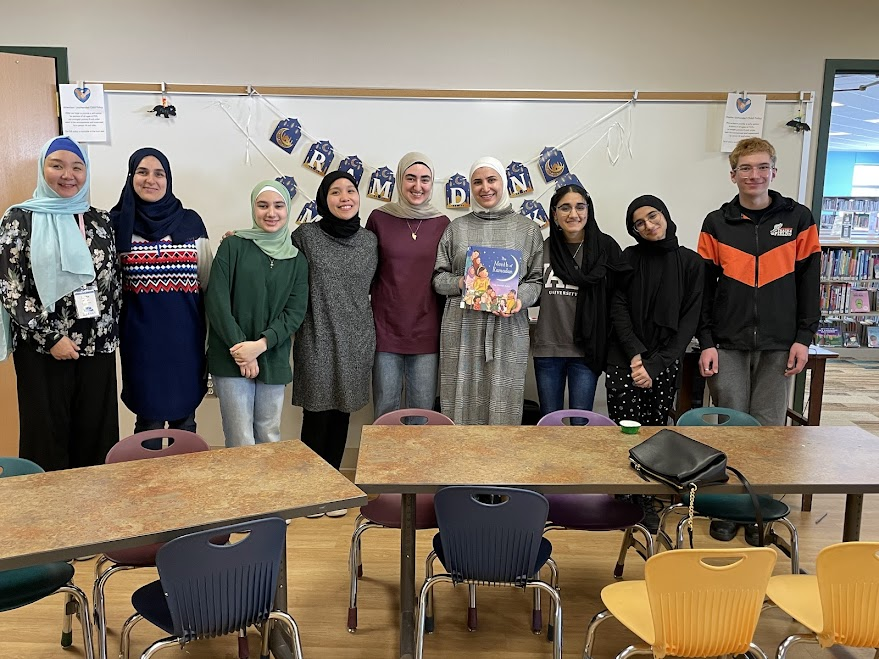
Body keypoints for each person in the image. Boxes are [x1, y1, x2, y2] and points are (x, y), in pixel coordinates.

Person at [696, 138, 820, 543]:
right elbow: (703, 289)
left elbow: (808, 283)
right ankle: (728, 507)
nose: (755, 175)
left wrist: (804, 337)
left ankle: (758, 510)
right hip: (727, 343)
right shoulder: (716, 223)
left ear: (774, 172)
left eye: (762, 167)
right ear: (733, 174)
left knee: (768, 429)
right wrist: (707, 341)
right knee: (730, 424)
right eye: (746, 168)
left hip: (779, 343)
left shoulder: (799, 219)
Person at [0, 136, 121, 470]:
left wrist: (110, 337)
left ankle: (95, 518)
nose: (68, 175)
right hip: (43, 351)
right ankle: (48, 521)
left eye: (77, 167)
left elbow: (114, 285)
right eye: (57, 165)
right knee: (47, 440)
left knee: (97, 441)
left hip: (97, 348)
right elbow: (9, 288)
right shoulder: (20, 218)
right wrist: (51, 337)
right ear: (43, 169)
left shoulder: (100, 220)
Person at [292, 171, 377, 517]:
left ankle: (335, 488)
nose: (345, 197)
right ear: (323, 198)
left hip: (357, 335)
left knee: (342, 410)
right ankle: (313, 490)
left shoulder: (370, 240)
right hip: (317, 332)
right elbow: (277, 257)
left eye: (351, 190)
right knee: (316, 411)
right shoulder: (306, 236)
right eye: (335, 191)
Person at [433, 157, 543, 425]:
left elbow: (536, 280)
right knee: (461, 401)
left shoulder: (527, 229)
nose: (485, 188)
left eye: (491, 180)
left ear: (502, 182)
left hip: (507, 329)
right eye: (477, 182)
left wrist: (520, 298)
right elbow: (438, 278)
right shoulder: (456, 228)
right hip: (462, 329)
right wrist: (462, 283)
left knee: (503, 404)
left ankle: (501, 467)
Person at [111, 147, 211, 436]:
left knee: (186, 423)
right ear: (131, 176)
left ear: (169, 179)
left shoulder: (190, 222)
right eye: (142, 172)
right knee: (148, 425)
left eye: (159, 173)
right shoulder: (116, 224)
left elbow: (205, 279)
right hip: (140, 343)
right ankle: (147, 483)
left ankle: (184, 483)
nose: (150, 180)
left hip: (185, 341)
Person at [205, 180, 308, 448]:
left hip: (272, 356)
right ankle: (242, 493)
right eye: (263, 206)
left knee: (269, 435)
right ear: (253, 208)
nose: (271, 213)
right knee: (240, 437)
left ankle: (268, 492)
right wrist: (242, 350)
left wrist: (259, 346)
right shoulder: (233, 246)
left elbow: (294, 313)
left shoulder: (297, 259)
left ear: (287, 210)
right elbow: (217, 302)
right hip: (230, 356)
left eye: (278, 206)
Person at [532, 183, 629, 422]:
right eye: (565, 208)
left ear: (589, 210)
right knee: (549, 422)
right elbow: (529, 289)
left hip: (588, 351)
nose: (573, 214)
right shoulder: (542, 248)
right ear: (554, 214)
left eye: (579, 207)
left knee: (581, 424)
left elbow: (620, 298)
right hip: (548, 348)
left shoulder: (605, 248)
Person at [605, 195, 704, 426]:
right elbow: (618, 308)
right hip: (625, 360)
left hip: (664, 362)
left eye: (652, 216)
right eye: (639, 223)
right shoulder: (628, 257)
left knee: (655, 436)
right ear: (634, 230)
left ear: (664, 215)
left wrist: (654, 365)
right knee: (620, 436)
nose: (649, 225)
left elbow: (689, 321)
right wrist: (636, 356)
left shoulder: (692, 263)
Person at [365, 152, 450, 419]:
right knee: (385, 411)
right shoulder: (379, 218)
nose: (418, 185)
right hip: (385, 330)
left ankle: (418, 464)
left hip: (427, 330)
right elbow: (363, 268)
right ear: (399, 180)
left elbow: (448, 274)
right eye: (410, 178)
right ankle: (380, 463)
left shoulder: (442, 223)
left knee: (421, 414)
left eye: (425, 179)